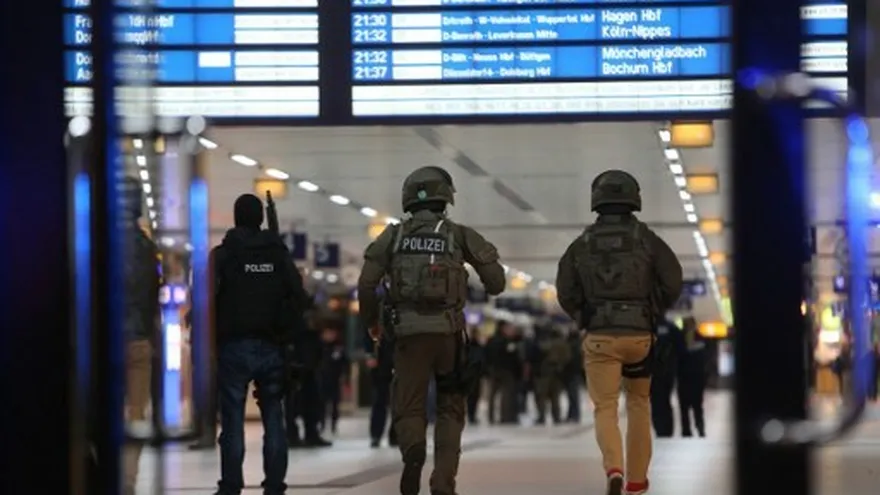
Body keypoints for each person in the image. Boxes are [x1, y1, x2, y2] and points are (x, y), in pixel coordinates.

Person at [357, 166, 506, 495]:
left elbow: (366, 285)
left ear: (408, 198)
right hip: (449, 336)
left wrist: (372, 323)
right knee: (451, 407)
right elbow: (497, 283)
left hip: (408, 336)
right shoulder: (458, 234)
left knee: (408, 405)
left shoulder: (393, 236)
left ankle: (413, 452)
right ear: (446, 198)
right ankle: (443, 481)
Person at [555, 170, 682, 495]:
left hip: (600, 336)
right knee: (639, 403)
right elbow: (673, 281)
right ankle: (637, 482)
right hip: (639, 335)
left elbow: (565, 290)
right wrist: (652, 311)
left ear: (597, 200)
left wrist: (584, 316)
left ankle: (614, 468)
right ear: (633, 198)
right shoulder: (647, 239)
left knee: (606, 407)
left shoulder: (581, 244)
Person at [212, 193, 311, 495]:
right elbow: (300, 297)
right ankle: (275, 485)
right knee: (274, 419)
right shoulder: (278, 255)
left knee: (231, 421)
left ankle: (230, 485)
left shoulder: (222, 255)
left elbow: (207, 298)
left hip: (232, 347)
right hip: (273, 346)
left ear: (235, 217)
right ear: (261, 218)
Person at [120, 177, 161, 495]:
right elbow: (151, 295)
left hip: (101, 342)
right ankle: (127, 481)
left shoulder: (91, 238)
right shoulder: (147, 247)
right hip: (138, 340)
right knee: (136, 413)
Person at [650, 318, 685, 438]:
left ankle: (661, 429)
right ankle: (666, 430)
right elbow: (681, 349)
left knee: (656, 401)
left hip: (655, 372)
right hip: (667, 372)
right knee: (664, 400)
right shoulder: (672, 327)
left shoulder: (650, 327)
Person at [677, 317, 708, 437]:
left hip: (696, 378)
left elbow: (705, 359)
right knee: (684, 407)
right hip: (684, 377)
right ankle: (686, 431)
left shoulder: (700, 338)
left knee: (697, 406)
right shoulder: (679, 338)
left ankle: (700, 428)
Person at [318, 327, 349, 435]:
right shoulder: (320, 347)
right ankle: (321, 423)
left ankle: (333, 424)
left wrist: (345, 377)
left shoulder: (339, 347)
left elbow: (345, 363)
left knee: (335, 403)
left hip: (335, 379)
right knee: (322, 403)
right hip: (322, 378)